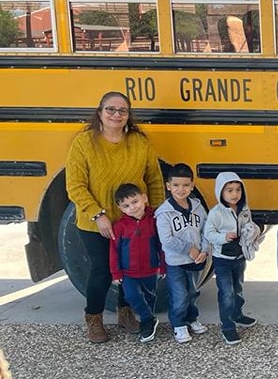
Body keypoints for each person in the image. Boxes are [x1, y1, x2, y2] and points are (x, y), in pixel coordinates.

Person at [65, 91, 165, 343]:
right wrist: (98, 214)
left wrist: (155, 214)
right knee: (102, 270)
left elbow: (153, 179)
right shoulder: (84, 143)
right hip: (95, 223)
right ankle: (94, 319)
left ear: (129, 116)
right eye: (110, 109)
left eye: (122, 110)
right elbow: (75, 185)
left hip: (133, 221)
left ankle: (125, 312)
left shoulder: (140, 143)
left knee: (132, 269)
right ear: (99, 112)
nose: (116, 115)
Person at [203, 171, 262, 345]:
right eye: (229, 190)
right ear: (220, 192)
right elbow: (208, 233)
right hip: (222, 258)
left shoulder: (244, 209)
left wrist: (252, 234)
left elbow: (248, 225)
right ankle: (227, 326)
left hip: (239, 256)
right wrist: (223, 237)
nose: (234, 194)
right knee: (226, 292)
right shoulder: (216, 213)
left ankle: (237, 314)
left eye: (238, 190)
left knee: (238, 287)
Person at [154, 163, 210, 344]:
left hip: (196, 259)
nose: (181, 189)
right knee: (179, 294)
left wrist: (204, 249)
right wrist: (190, 250)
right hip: (176, 261)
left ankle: (192, 318)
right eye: (176, 185)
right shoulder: (164, 213)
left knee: (193, 292)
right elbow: (167, 240)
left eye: (186, 185)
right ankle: (178, 324)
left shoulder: (197, 207)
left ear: (192, 186)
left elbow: (206, 230)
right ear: (168, 186)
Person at [108, 183, 164, 344]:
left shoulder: (154, 220)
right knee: (132, 295)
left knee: (150, 296)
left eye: (135, 202)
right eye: (126, 205)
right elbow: (114, 251)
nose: (132, 208)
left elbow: (161, 245)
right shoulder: (119, 227)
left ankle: (150, 320)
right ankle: (147, 319)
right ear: (120, 208)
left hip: (150, 269)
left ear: (144, 198)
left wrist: (163, 265)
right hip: (128, 272)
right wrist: (116, 273)